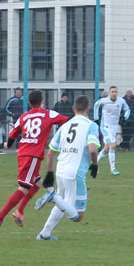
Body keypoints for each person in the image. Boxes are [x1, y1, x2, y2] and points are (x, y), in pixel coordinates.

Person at [0, 90, 69, 233]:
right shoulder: (48, 114)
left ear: (28, 103)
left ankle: (20, 211)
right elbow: (67, 120)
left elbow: (12, 136)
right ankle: (0, 216)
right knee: (23, 188)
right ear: (43, 101)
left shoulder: (23, 116)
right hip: (32, 155)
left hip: (24, 153)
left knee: (37, 183)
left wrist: (7, 144)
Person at [32, 95, 99, 240]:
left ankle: (44, 234)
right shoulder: (91, 125)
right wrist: (95, 164)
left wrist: (50, 173)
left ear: (73, 109)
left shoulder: (64, 126)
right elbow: (93, 149)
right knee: (78, 216)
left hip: (61, 170)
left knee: (63, 203)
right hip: (75, 173)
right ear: (88, 110)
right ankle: (53, 197)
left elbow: (50, 153)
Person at [93, 86, 130, 175]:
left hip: (114, 127)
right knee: (112, 146)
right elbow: (96, 105)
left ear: (117, 93)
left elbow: (127, 109)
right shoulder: (104, 101)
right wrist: (96, 118)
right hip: (105, 127)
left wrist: (125, 117)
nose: (114, 93)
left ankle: (94, 165)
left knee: (106, 149)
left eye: (115, 92)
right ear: (109, 93)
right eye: (112, 92)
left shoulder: (121, 101)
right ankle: (113, 169)